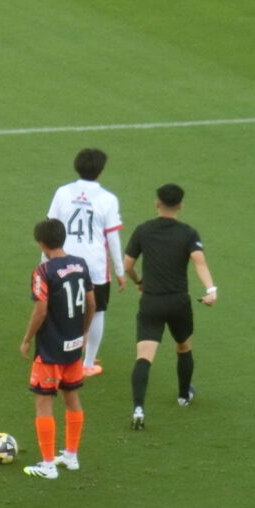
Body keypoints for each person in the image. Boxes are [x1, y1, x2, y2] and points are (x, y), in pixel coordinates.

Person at [123, 183, 219, 430]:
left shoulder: (143, 230)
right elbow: (199, 262)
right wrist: (211, 290)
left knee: (144, 356)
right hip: (178, 302)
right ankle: (183, 396)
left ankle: (138, 408)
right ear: (181, 206)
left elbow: (127, 266)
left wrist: (139, 282)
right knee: (183, 346)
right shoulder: (188, 233)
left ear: (157, 203)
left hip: (151, 302)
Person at [19, 218, 96, 480]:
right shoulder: (81, 264)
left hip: (50, 349)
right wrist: (83, 333)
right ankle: (71, 456)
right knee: (71, 398)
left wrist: (27, 339)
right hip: (73, 346)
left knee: (43, 404)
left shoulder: (43, 271)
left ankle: (48, 465)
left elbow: (40, 310)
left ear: (41, 244)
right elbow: (91, 304)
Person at [46, 148, 126, 377]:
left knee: (61, 307)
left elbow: (51, 227)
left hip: (63, 259)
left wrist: (45, 261)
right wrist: (120, 270)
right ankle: (88, 363)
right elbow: (112, 237)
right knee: (97, 310)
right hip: (94, 264)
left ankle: (59, 356)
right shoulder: (108, 199)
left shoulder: (62, 192)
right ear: (100, 171)